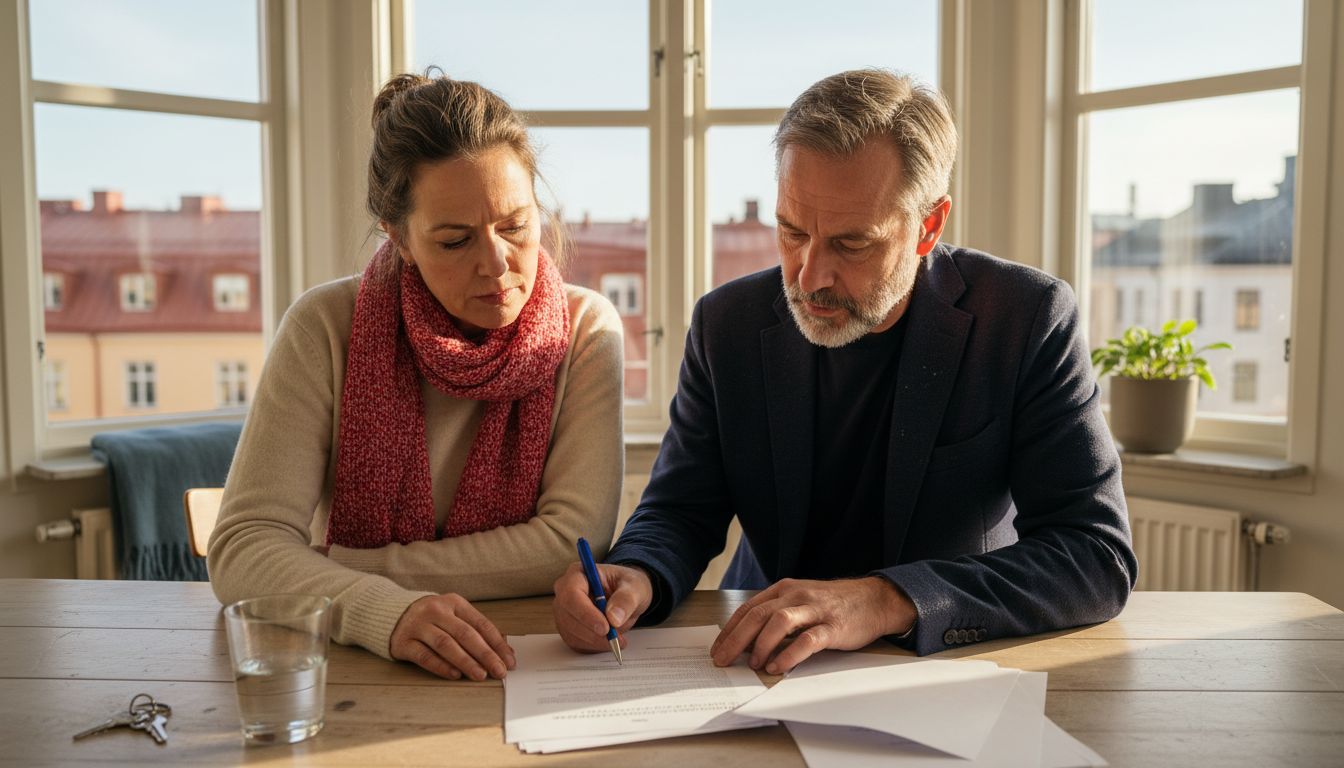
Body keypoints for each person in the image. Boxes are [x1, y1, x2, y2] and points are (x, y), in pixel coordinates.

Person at [553, 68, 1136, 673]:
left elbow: (1094, 555)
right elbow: (679, 509)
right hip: (759, 657)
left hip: (945, 666)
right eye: (792, 232)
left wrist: (888, 599)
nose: (808, 278)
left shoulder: (1024, 318)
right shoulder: (725, 324)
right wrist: (639, 572)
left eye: (852, 244)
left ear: (928, 226)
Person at [210, 73, 624, 682]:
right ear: (399, 238)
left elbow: (567, 542)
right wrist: (383, 611)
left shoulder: (587, 328)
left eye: (515, 226)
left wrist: (344, 567)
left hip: (532, 660)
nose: (497, 264)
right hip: (353, 666)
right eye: (455, 241)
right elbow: (244, 546)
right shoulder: (325, 327)